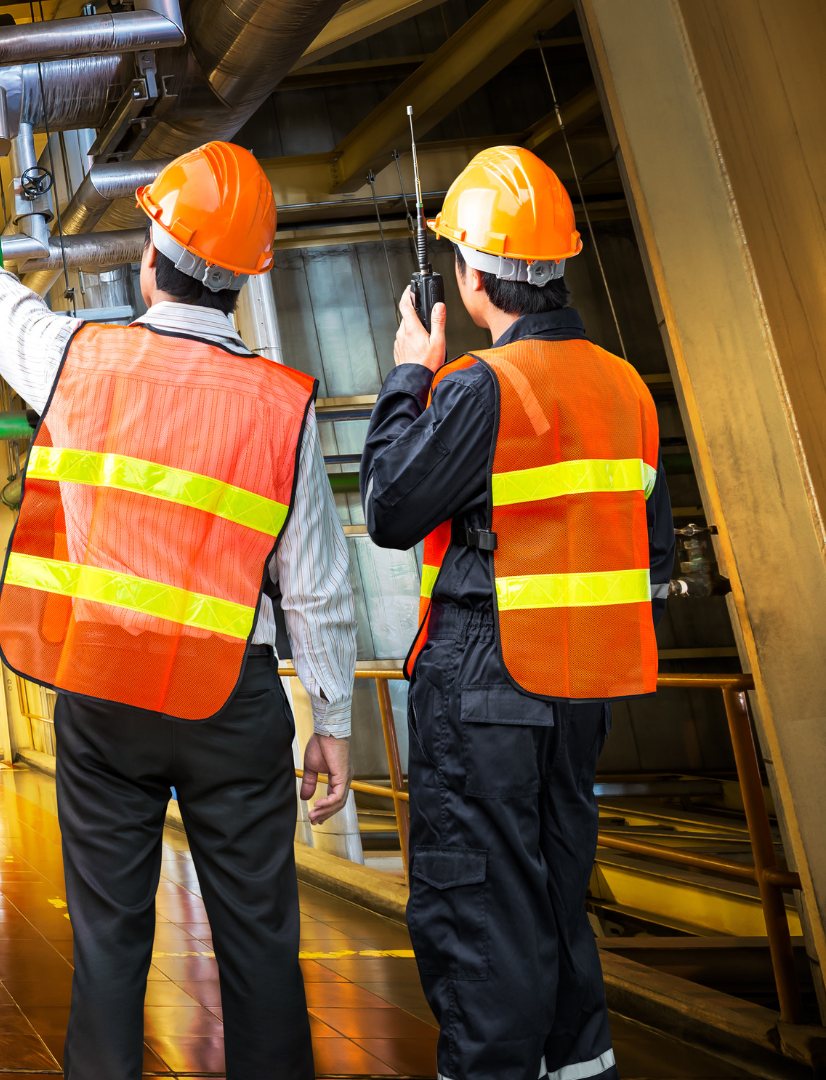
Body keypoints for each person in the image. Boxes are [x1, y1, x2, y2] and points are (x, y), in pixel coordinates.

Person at [0, 140, 357, 1080]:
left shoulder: (83, 359)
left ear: (152, 260)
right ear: (242, 280)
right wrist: (335, 721)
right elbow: (315, 579)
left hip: (106, 695)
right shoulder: (282, 405)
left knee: (112, 948)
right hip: (234, 702)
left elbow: (2, 308)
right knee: (263, 947)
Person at [359, 145, 673, 1080]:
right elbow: (649, 565)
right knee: (554, 904)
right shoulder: (628, 391)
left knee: (482, 917)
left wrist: (413, 373)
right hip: (582, 688)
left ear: (470, 275)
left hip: (486, 681)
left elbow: (389, 507)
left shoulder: (484, 387)